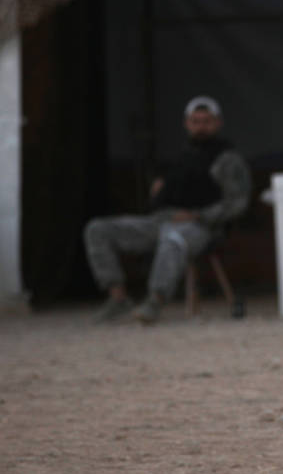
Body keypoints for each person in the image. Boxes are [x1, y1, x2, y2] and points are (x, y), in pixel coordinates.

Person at [84, 96, 251, 324]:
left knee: (172, 239)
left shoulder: (227, 159)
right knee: (98, 229)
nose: (201, 126)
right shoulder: (183, 156)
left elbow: (236, 203)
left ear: (218, 123)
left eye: (206, 121)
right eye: (195, 121)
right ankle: (118, 298)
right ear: (186, 123)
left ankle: (155, 301)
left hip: (201, 226)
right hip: (162, 220)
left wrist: (198, 215)